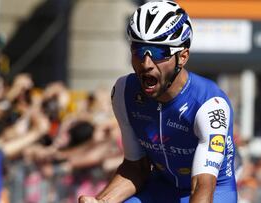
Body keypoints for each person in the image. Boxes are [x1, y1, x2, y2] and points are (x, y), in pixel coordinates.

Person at [79, 1, 237, 202]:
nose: (146, 64)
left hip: (212, 190)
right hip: (161, 188)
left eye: (158, 52)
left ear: (183, 56)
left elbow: (202, 185)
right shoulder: (124, 92)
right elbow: (136, 167)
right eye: (138, 50)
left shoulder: (209, 105)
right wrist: (102, 201)